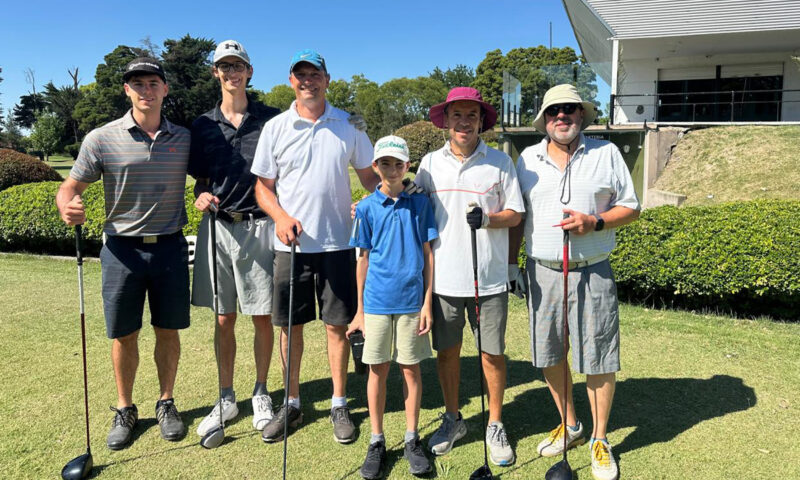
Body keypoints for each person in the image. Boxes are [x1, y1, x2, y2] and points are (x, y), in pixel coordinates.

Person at [55, 57, 189, 449]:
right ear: (127, 90)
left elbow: (209, 175)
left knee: (168, 330)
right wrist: (66, 206)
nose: (146, 90)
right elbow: (70, 187)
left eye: (153, 83)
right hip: (121, 251)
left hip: (170, 247)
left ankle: (166, 402)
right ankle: (125, 407)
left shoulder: (183, 137)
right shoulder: (101, 138)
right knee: (124, 334)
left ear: (165, 89)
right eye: (138, 84)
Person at [509, 84, 640, 480]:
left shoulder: (606, 153)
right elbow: (518, 216)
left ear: (581, 114)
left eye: (569, 108)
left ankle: (600, 438)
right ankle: (571, 425)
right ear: (544, 120)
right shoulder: (527, 159)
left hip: (593, 269)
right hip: (542, 271)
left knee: (598, 355)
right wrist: (512, 264)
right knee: (549, 353)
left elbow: (631, 207)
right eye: (553, 111)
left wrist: (594, 222)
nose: (561, 116)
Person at [250, 49, 378, 445]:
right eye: (301, 75)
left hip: (338, 243)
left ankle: (339, 402)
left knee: (337, 326)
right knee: (290, 328)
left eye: (315, 74)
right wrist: (280, 216)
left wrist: (390, 194)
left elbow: (369, 177)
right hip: (291, 246)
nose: (308, 81)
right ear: (292, 81)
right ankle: (292, 402)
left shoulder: (348, 124)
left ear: (327, 79)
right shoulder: (276, 127)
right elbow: (263, 188)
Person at [414, 86, 524, 466]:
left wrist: (489, 219)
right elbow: (413, 207)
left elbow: (516, 214)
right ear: (446, 120)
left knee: (491, 354)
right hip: (444, 280)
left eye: (471, 115)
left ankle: (495, 422)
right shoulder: (429, 163)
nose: (464, 122)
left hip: (488, 280)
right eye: (457, 115)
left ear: (481, 121)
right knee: (447, 354)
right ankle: (453, 418)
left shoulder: (500, 162)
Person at [189, 40, 281, 436]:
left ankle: (261, 391)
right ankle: (226, 396)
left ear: (249, 71)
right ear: (216, 73)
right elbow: (201, 179)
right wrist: (200, 195)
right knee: (224, 317)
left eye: (238, 66)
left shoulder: (271, 120)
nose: (232, 73)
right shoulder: (203, 125)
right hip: (218, 226)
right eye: (225, 66)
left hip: (259, 225)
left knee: (262, 316)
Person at [346, 136, 438, 479]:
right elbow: (363, 260)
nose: (392, 169)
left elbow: (428, 254)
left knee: (411, 369)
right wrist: (359, 311)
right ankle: (377, 440)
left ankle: (412, 438)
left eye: (398, 164)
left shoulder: (420, 204)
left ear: (407, 166)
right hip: (376, 303)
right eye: (385, 163)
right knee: (377, 370)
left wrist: (427, 302)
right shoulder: (366, 208)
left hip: (412, 302)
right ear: (375, 166)